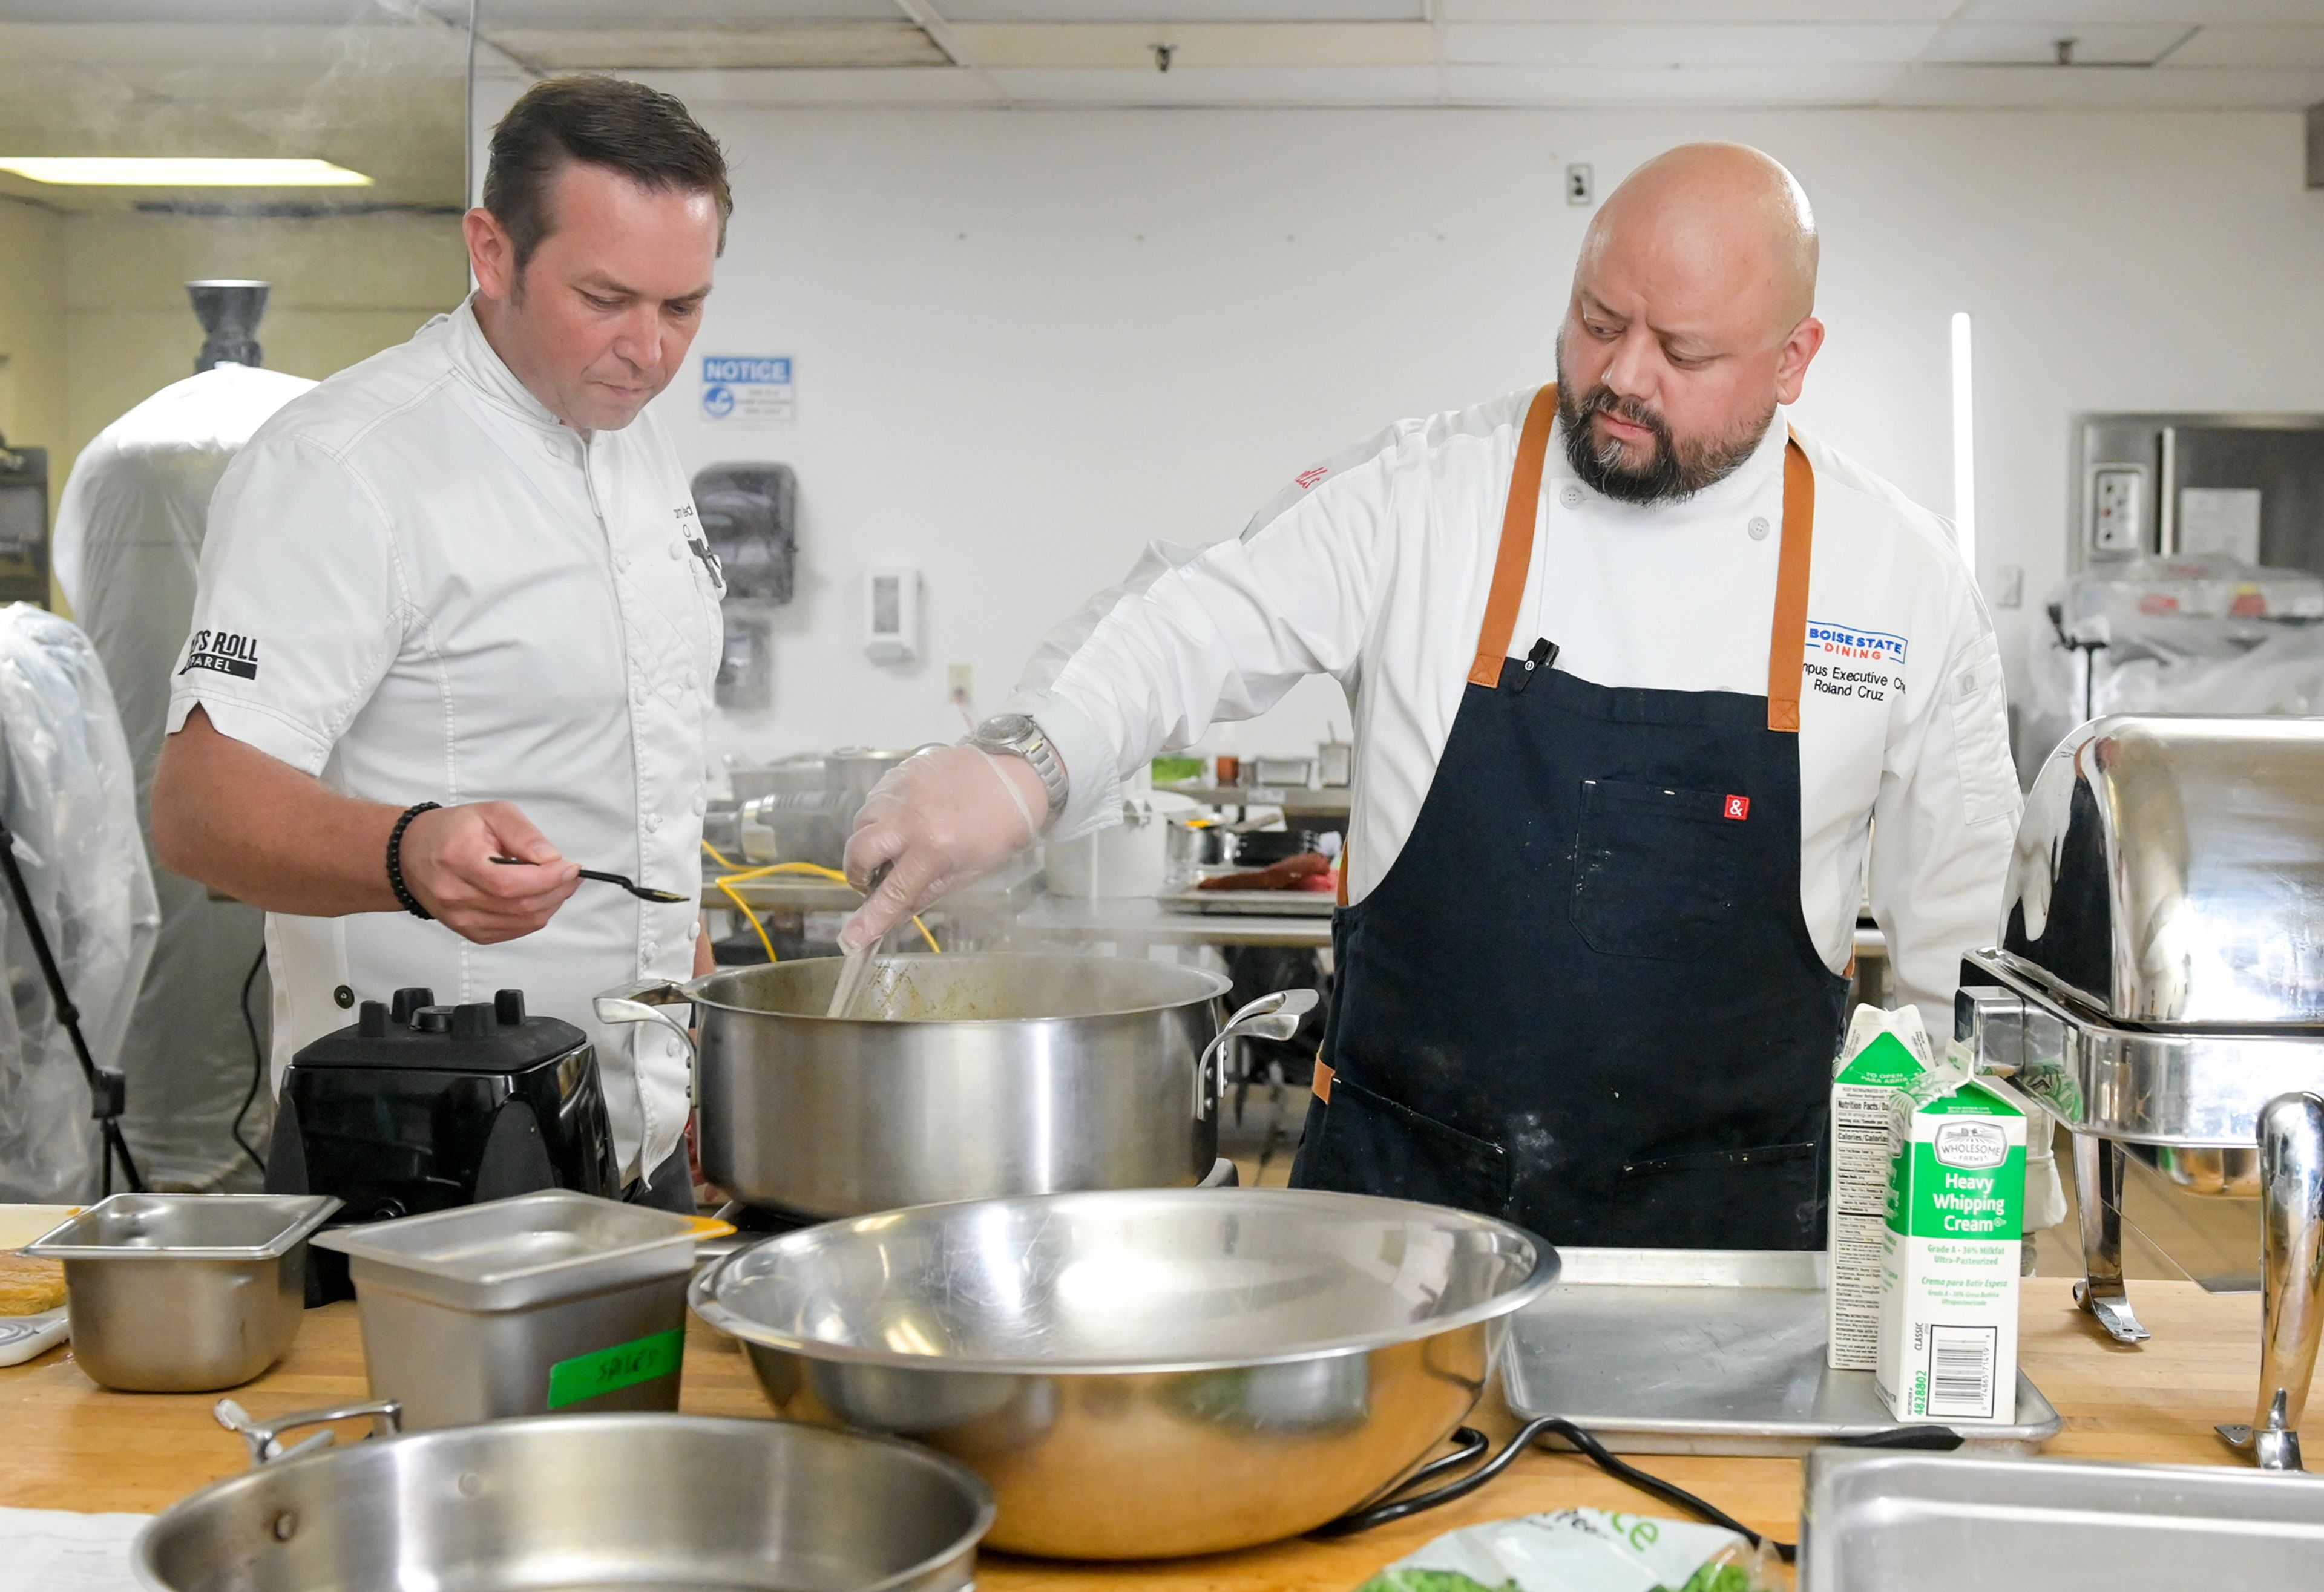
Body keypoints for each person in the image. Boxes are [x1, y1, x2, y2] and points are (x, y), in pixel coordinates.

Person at [841, 144, 2021, 1249]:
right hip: (1398, 1236)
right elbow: (1191, 617)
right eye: (1599, 321)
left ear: (1793, 360)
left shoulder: (1897, 578)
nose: (1621, 375)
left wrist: (1972, 1194)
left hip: (1743, 1245)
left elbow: (1960, 945)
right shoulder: (1426, 496)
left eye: (1685, 353)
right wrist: (1026, 762)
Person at [151, 76, 731, 1210]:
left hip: (638, 1127)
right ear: (491, 250)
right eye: (606, 297)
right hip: (429, 1148)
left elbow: (653, 795)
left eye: (684, 307)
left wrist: (707, 1059)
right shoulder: (345, 467)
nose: (650, 352)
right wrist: (409, 852)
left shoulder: (633, 445)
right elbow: (198, 807)